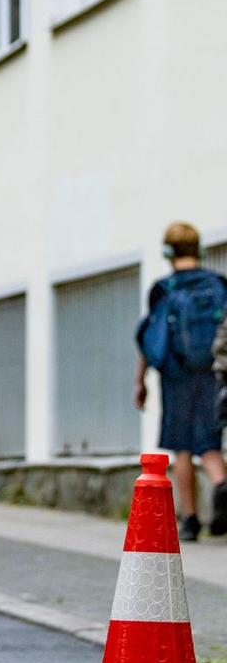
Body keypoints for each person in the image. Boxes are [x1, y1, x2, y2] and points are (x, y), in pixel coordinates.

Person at [136, 222, 227, 542]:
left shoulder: (163, 289)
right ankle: (221, 485)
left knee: (183, 447)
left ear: (167, 251)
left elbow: (151, 338)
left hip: (176, 376)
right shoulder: (219, 283)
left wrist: (141, 381)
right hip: (214, 371)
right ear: (197, 249)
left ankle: (189, 520)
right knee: (210, 439)